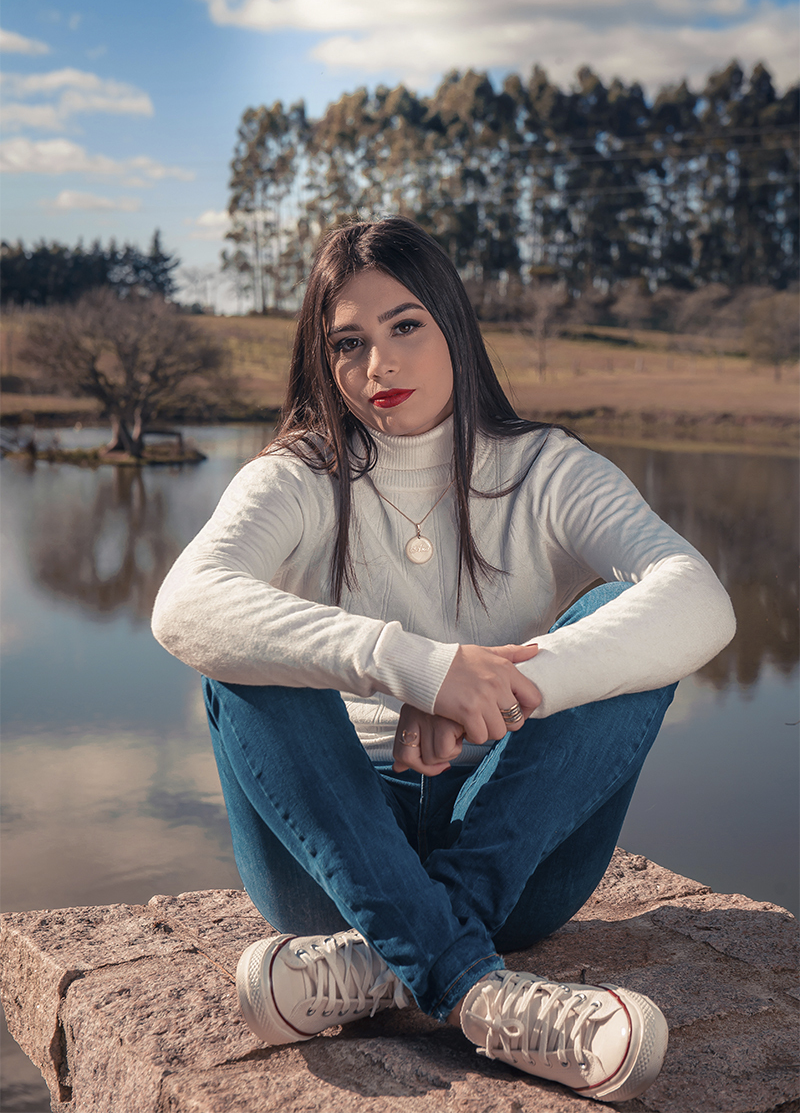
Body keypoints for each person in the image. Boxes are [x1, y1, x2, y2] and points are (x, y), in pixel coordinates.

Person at [152, 217, 735, 1102]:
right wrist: (415, 666)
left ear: (454, 325)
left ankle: (385, 962)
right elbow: (183, 605)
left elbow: (701, 600)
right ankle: (472, 985)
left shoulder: (545, 469)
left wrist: (496, 688)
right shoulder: (298, 474)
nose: (377, 366)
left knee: (631, 623)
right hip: (329, 863)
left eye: (405, 326)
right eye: (348, 342)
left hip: (515, 848)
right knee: (239, 652)